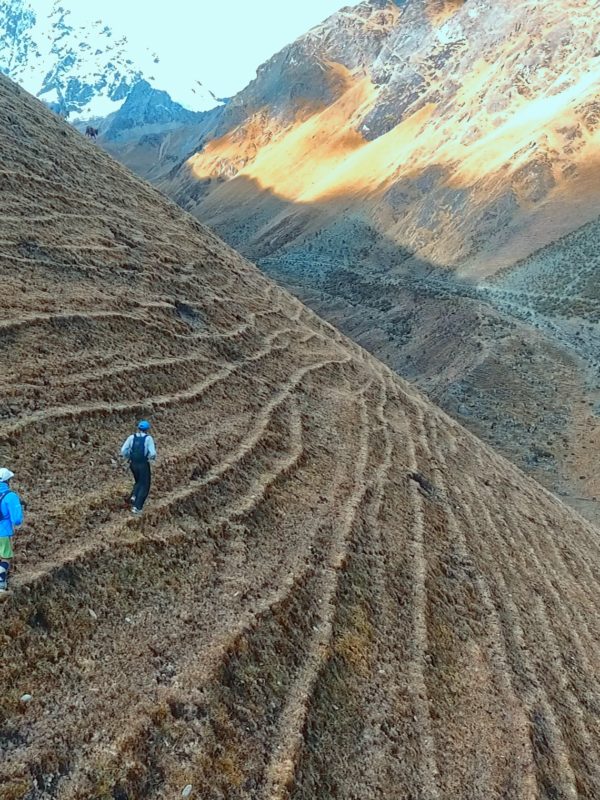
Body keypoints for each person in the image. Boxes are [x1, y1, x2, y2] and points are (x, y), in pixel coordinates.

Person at [121, 420, 157, 514]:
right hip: (143, 464)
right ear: (147, 429)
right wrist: (150, 458)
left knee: (138, 481)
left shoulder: (131, 437)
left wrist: (129, 456)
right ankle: (137, 507)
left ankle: (134, 495)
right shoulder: (148, 439)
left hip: (133, 464)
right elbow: (152, 453)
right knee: (145, 485)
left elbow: (123, 450)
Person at [0, 468, 24, 592]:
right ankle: (1, 583)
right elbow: (17, 519)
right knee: (6, 556)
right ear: (7, 481)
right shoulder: (10, 496)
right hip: (2, 532)